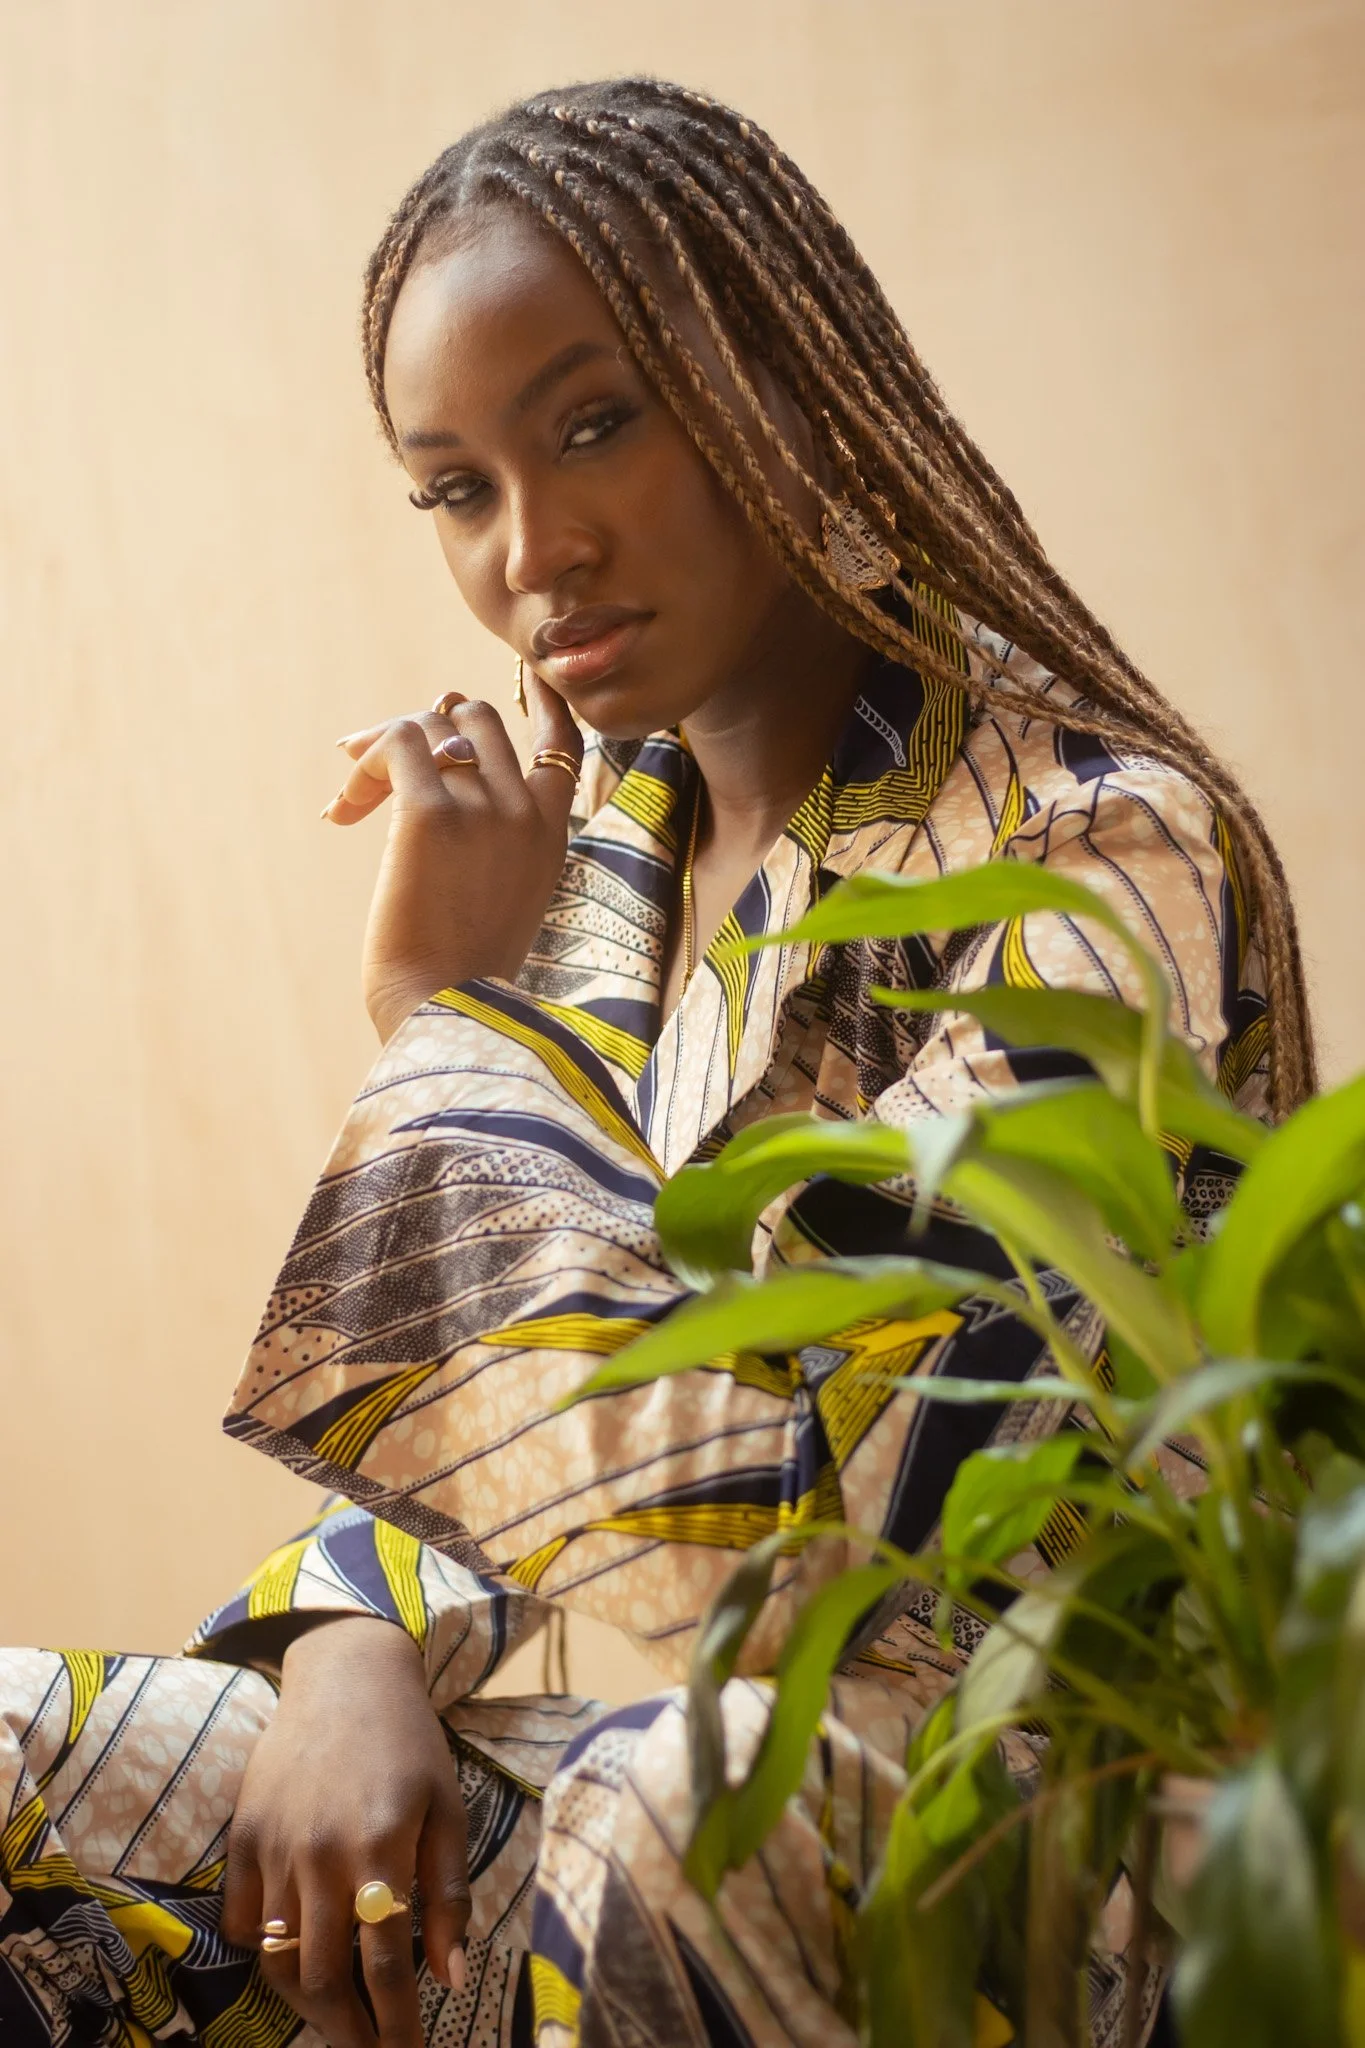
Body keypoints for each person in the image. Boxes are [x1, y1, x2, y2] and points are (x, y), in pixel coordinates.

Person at [0, 75, 1312, 2048]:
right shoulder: (611, 858)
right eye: (456, 487)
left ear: (775, 382)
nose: (534, 550)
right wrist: (350, 1646)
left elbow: (810, 1574)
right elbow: (521, 1438)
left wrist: (445, 1035)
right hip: (650, 1797)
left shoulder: (1097, 852)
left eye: (595, 424)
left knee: (668, 1803)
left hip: (1035, 1861)